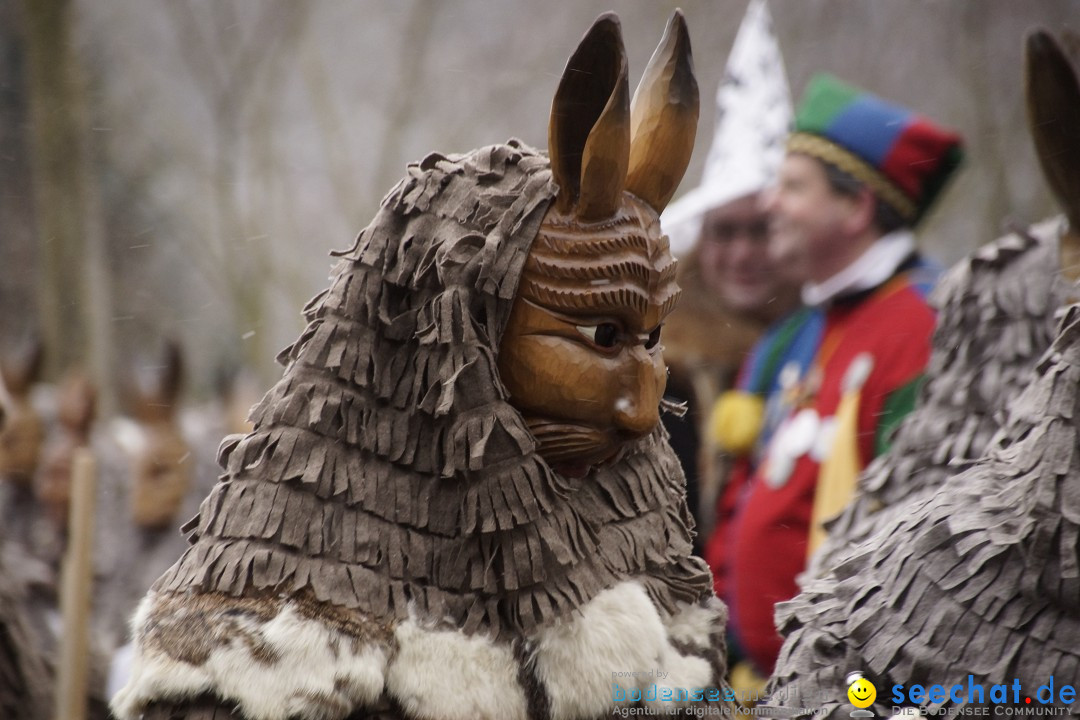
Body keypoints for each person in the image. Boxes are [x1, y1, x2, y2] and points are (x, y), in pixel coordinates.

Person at [111, 12, 737, 720]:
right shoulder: (256, 660)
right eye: (599, 336)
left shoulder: (657, 607)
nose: (639, 409)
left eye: (650, 342)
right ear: (461, 331)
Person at [706, 72, 964, 678]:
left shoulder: (925, 327)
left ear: (857, 206)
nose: (769, 204)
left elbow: (919, 541)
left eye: (792, 186)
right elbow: (737, 508)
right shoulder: (788, 340)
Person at [659, 0, 800, 551]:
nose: (742, 253)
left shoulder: (818, 341)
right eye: (724, 232)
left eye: (760, 231)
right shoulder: (660, 357)